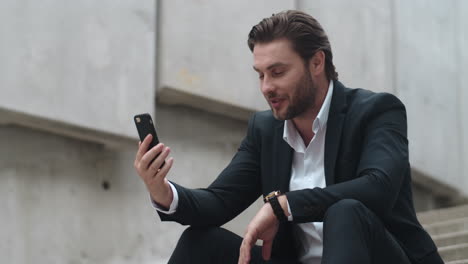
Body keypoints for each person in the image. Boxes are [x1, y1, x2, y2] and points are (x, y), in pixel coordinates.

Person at [134, 10, 443, 264]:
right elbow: (218, 201)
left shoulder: (376, 110)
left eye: (278, 72)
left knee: (346, 211)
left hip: (383, 257)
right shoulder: (265, 129)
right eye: (260, 74)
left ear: (317, 63)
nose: (266, 86)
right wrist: (162, 190)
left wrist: (283, 206)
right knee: (200, 243)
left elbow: (378, 189)